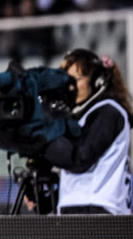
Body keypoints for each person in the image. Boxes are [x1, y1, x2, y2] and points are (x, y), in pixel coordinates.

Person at [43, 49, 132, 214]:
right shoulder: (79, 117)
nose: (70, 87)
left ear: (97, 82)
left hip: (102, 213)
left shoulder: (109, 112)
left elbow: (81, 159)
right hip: (80, 211)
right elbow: (79, 180)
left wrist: (43, 142)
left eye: (77, 79)